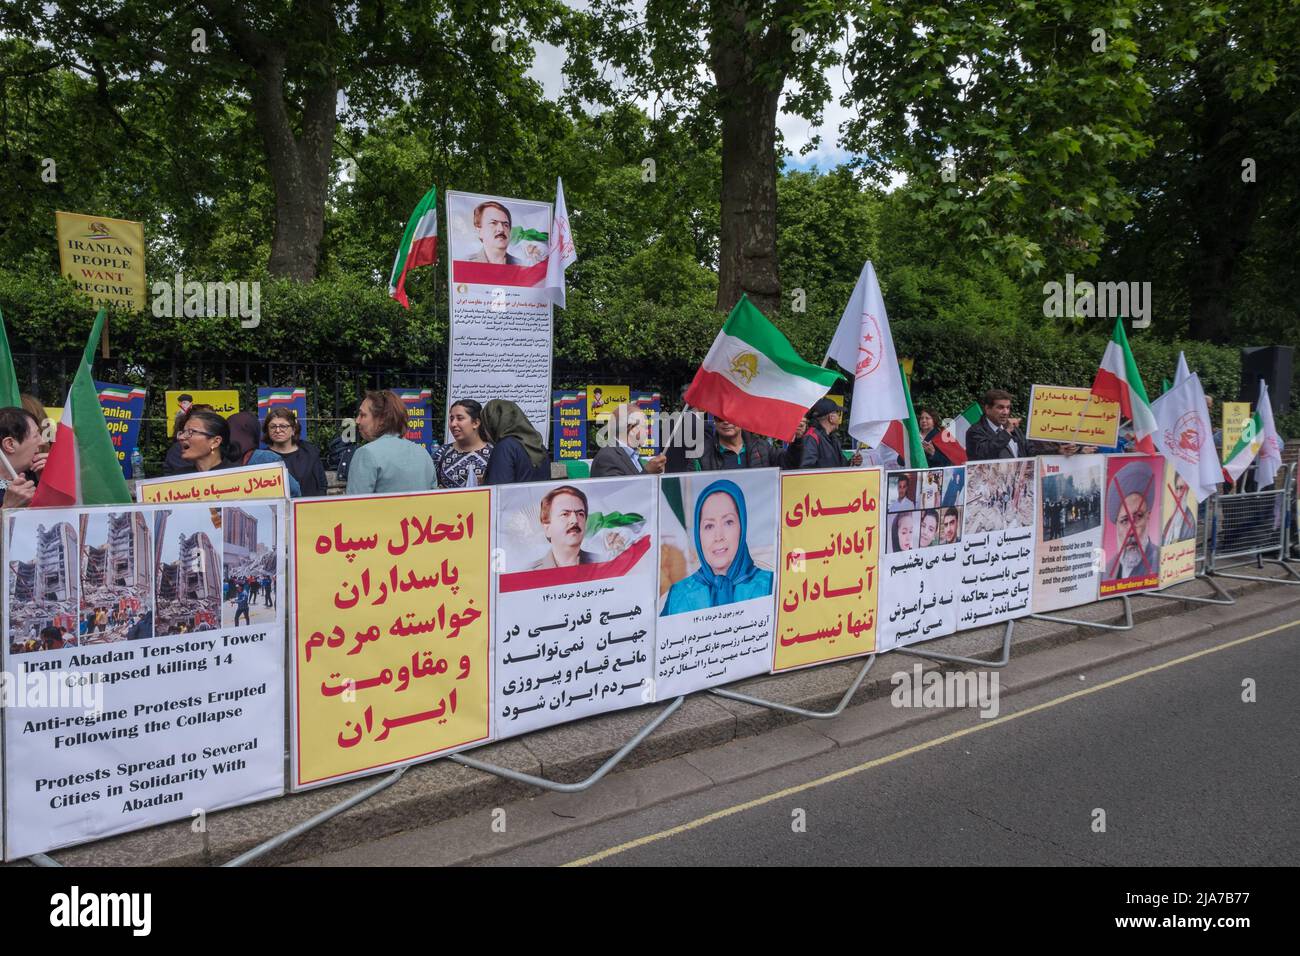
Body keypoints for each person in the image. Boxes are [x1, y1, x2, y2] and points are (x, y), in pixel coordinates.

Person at [661, 479, 772, 614]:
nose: (718, 536)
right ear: (698, 534)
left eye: (728, 522)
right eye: (709, 526)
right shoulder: (679, 595)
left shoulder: (771, 585)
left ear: (742, 527)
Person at [346, 390, 436, 494]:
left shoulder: (366, 453)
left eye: (363, 415)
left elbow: (354, 506)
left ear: (382, 419)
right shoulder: (423, 454)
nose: (357, 421)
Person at [966, 389, 1078, 461]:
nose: (1005, 412)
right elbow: (983, 453)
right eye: (1000, 407)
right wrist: (1006, 432)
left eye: (1008, 407)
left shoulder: (1012, 429)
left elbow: (1031, 452)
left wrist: (1058, 451)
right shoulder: (975, 431)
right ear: (987, 409)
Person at [1107, 459, 1160, 579]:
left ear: (1148, 517)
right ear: (1117, 526)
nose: (1131, 530)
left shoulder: (1161, 562)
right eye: (1124, 521)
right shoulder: (1107, 571)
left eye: (1138, 517)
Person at [528, 485, 599, 569]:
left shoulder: (603, 563)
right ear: (547, 529)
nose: (575, 520)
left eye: (580, 514)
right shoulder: (528, 574)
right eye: (565, 514)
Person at [480, 400, 551, 484]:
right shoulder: (539, 446)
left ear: (493, 424)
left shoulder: (505, 447)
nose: (484, 431)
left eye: (484, 425)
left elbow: (499, 490)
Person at [264, 407, 327, 496]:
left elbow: (322, 485)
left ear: (293, 430)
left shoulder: (310, 453)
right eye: (273, 426)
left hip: (308, 507)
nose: (277, 430)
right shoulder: (262, 458)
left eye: (283, 426)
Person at [591, 403, 667, 477]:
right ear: (631, 428)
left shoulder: (631, 455)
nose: (648, 431)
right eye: (644, 426)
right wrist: (648, 472)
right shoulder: (607, 458)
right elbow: (617, 489)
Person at [433, 399, 493, 488]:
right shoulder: (441, 453)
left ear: (476, 423)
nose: (453, 424)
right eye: (451, 418)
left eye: (460, 418)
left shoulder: (494, 453)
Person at [464, 200, 539, 265]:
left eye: (505, 225)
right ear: (479, 231)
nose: (501, 229)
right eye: (493, 223)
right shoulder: (465, 264)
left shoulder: (521, 265)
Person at [0, 406, 46, 507]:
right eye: (36, 436)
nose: (42, 442)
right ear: (10, 444)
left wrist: (48, 480)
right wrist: (8, 507)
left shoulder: (35, 476)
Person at [173, 409, 243, 473]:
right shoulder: (178, 478)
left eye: (191, 432)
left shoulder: (238, 475)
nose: (181, 437)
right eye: (183, 432)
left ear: (216, 442)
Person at [695, 417, 777, 470]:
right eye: (720, 418)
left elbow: (787, 462)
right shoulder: (701, 453)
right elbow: (690, 489)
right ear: (714, 421)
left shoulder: (762, 446)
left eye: (731, 417)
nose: (726, 422)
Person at [799, 399, 861, 469]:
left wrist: (852, 461)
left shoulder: (832, 437)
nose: (839, 418)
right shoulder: (811, 436)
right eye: (838, 414)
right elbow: (807, 470)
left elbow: (838, 464)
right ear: (831, 417)